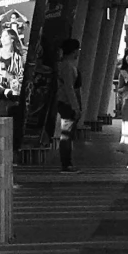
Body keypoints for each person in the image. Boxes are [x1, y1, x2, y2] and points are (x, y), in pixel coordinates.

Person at [54, 37, 83, 171]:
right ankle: (66, 164)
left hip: (65, 102)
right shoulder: (67, 66)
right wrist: (75, 106)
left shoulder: (66, 65)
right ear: (73, 51)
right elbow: (69, 88)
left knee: (68, 134)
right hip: (66, 103)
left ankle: (67, 162)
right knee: (66, 134)